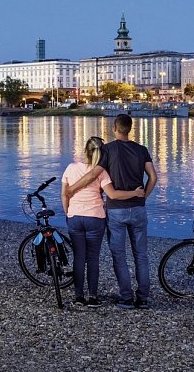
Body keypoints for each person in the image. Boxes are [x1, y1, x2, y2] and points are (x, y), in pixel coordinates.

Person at [65, 114, 157, 310]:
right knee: (141, 254)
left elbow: (93, 174)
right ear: (130, 129)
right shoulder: (142, 150)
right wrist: (143, 197)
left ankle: (126, 297)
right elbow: (153, 177)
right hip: (138, 209)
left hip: (116, 211)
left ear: (115, 128)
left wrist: (72, 189)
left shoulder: (108, 150)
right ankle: (142, 298)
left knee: (120, 255)